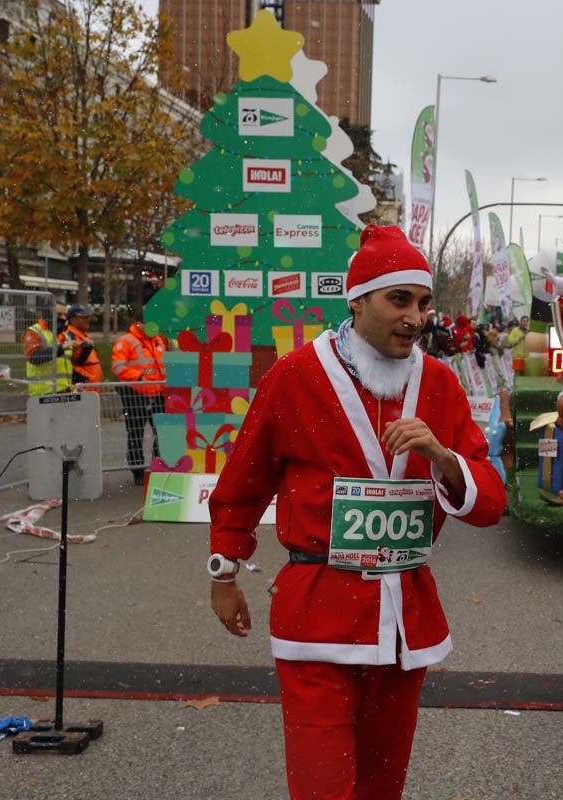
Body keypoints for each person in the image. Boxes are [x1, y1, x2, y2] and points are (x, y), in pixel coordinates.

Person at [207, 225, 507, 800]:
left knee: (381, 785)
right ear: (358, 299)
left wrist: (442, 458)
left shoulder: (440, 385)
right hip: (318, 614)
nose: (416, 318)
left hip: (403, 622)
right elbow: (243, 483)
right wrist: (223, 574)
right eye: (399, 300)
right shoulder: (296, 376)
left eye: (423, 303)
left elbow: (490, 502)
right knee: (323, 786)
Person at [111, 316, 167, 485]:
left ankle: (158, 467)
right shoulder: (126, 341)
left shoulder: (158, 340)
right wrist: (139, 377)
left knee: (162, 433)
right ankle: (138, 472)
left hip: (158, 393)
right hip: (135, 395)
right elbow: (118, 367)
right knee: (135, 433)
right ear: (139, 323)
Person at [22, 305, 73, 395]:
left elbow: (71, 361)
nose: (63, 318)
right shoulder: (34, 332)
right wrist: (60, 348)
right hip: (44, 393)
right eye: (59, 314)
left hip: (65, 391)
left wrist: (85, 350)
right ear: (48, 315)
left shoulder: (64, 335)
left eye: (65, 315)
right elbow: (34, 357)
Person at [58, 304, 103, 389]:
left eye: (88, 317)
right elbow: (70, 362)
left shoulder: (83, 335)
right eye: (83, 317)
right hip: (82, 386)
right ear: (72, 319)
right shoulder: (68, 336)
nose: (88, 320)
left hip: (91, 385)